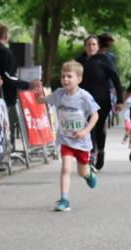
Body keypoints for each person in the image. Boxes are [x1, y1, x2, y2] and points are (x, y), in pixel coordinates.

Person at [34, 61, 99, 212]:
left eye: (69, 76)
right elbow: (42, 101)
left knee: (82, 172)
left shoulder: (84, 97)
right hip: (66, 139)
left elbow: (95, 115)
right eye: (63, 76)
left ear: (79, 79)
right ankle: (64, 199)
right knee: (66, 169)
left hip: (81, 141)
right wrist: (38, 97)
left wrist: (85, 131)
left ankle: (89, 174)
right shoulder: (58, 94)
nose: (65, 79)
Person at [75, 35, 123, 170]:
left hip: (102, 100)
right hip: (83, 101)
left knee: (99, 127)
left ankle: (100, 151)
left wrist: (120, 99)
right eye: (88, 45)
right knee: (89, 127)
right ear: (85, 46)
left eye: (94, 45)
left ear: (98, 46)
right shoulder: (79, 62)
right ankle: (90, 154)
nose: (91, 47)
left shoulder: (104, 60)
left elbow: (115, 79)